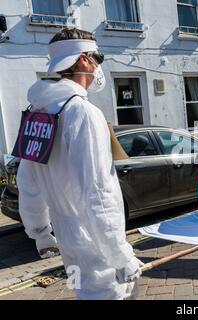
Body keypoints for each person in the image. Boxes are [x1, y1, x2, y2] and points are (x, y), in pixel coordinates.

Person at [16, 28, 142, 300]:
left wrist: (40, 232)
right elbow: (97, 192)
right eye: (98, 58)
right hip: (96, 242)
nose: (98, 67)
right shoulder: (82, 112)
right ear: (84, 60)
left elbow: (27, 181)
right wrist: (120, 255)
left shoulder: (37, 112)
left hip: (67, 237)